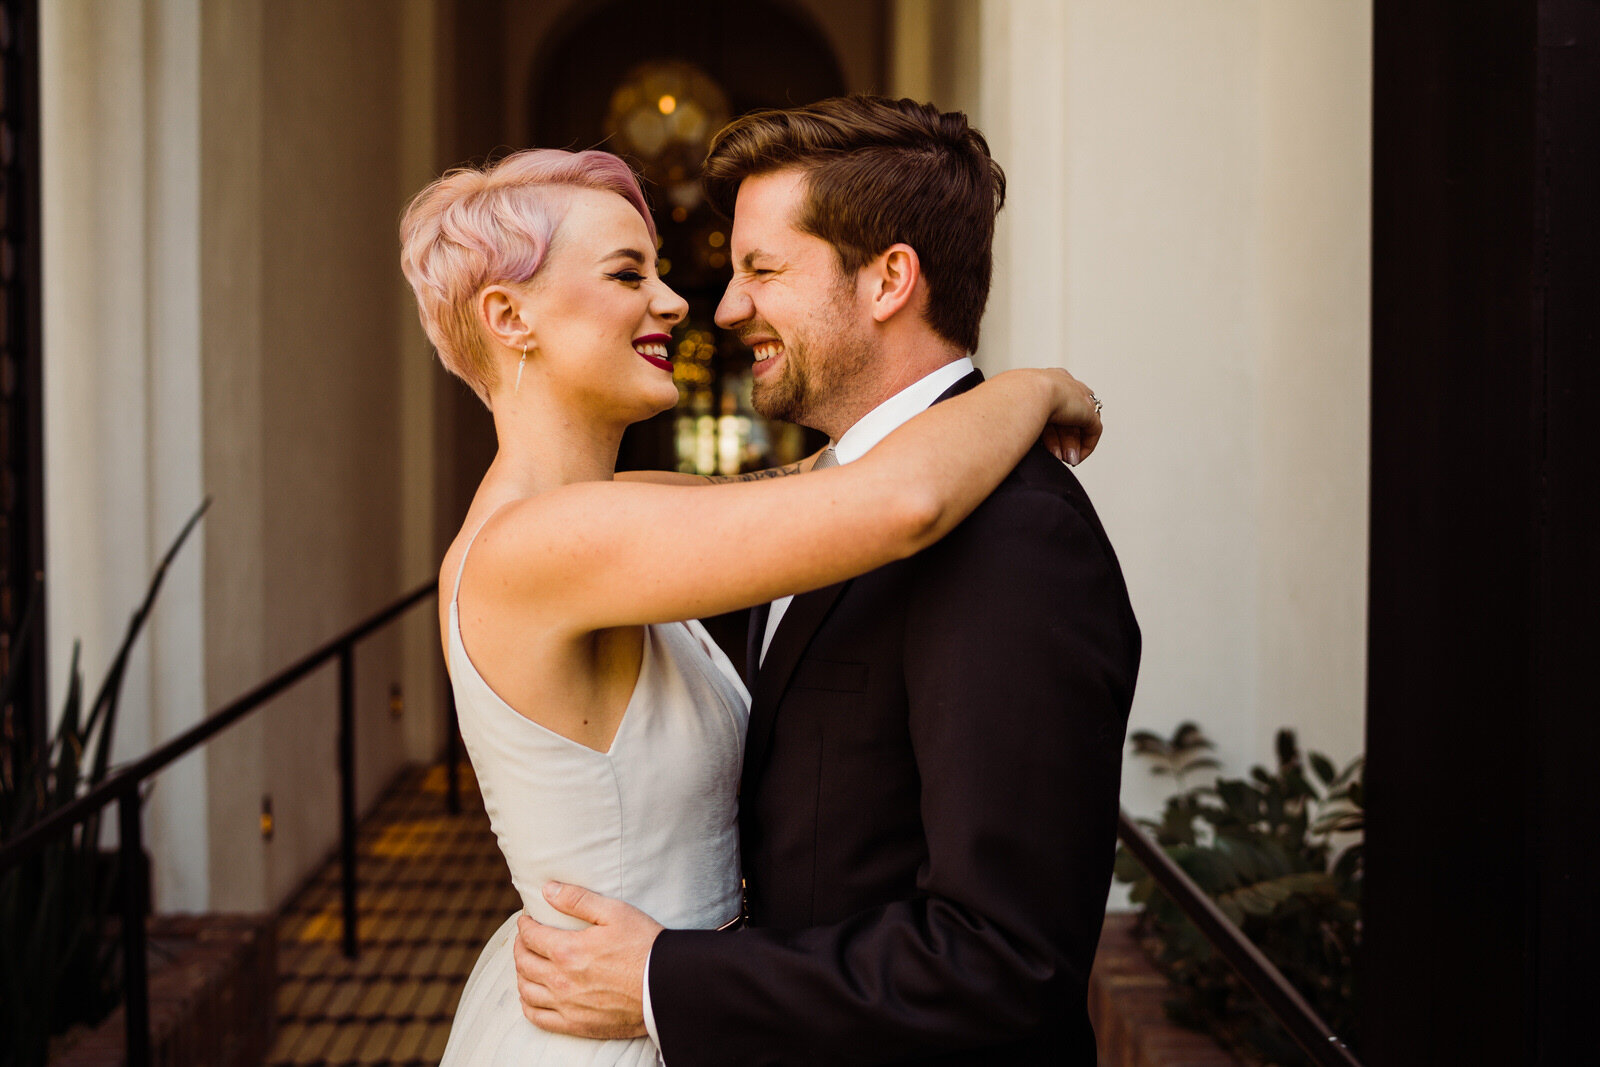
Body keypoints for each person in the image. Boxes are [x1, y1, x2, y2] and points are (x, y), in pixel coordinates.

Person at [399, 142, 1106, 1066]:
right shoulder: (542, 545)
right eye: (627, 273)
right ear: (509, 315)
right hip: (617, 1025)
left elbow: (834, 473)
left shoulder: (620, 511)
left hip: (689, 1008)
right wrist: (1034, 385)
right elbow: (898, 501)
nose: (680, 301)